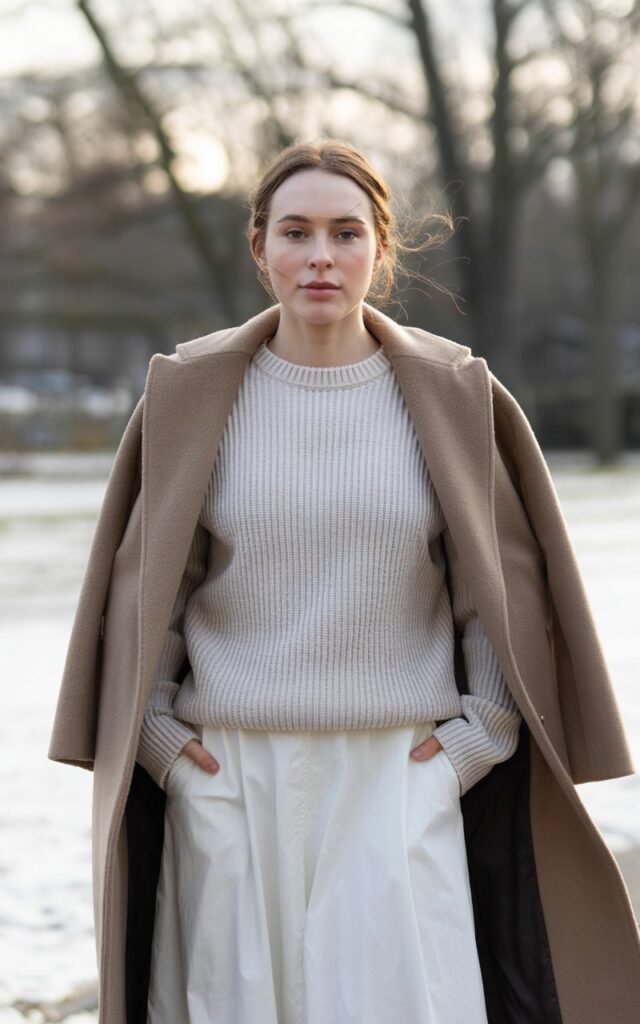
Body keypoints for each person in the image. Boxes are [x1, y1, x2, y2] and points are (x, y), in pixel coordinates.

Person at [48, 139, 640, 1024]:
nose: (320, 256)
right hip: (230, 771)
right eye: (295, 232)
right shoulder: (190, 394)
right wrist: (167, 747)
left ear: (380, 248)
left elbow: (495, 595)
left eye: (345, 232)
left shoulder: (450, 393)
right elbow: (154, 597)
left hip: (400, 770)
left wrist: (477, 739)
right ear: (260, 248)